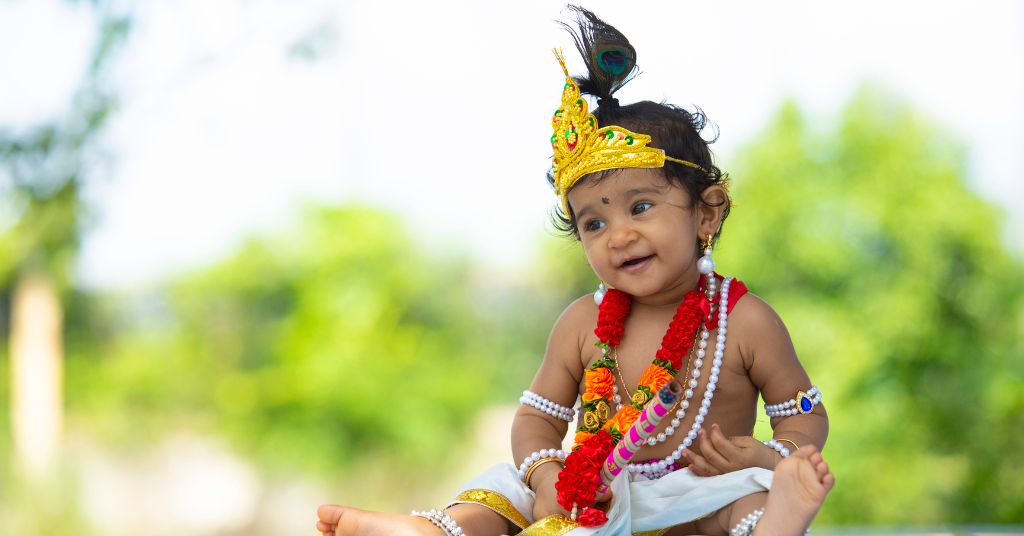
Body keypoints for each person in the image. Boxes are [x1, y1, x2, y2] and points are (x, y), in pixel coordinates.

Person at [317, 6, 833, 536]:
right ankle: (431, 532)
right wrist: (546, 477)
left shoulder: (743, 320)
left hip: (698, 495)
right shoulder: (582, 322)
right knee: (504, 491)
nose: (619, 235)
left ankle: (775, 525)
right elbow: (538, 419)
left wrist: (772, 456)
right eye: (593, 222)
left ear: (707, 211)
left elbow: (806, 413)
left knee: (743, 499)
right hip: (593, 500)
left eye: (640, 208)